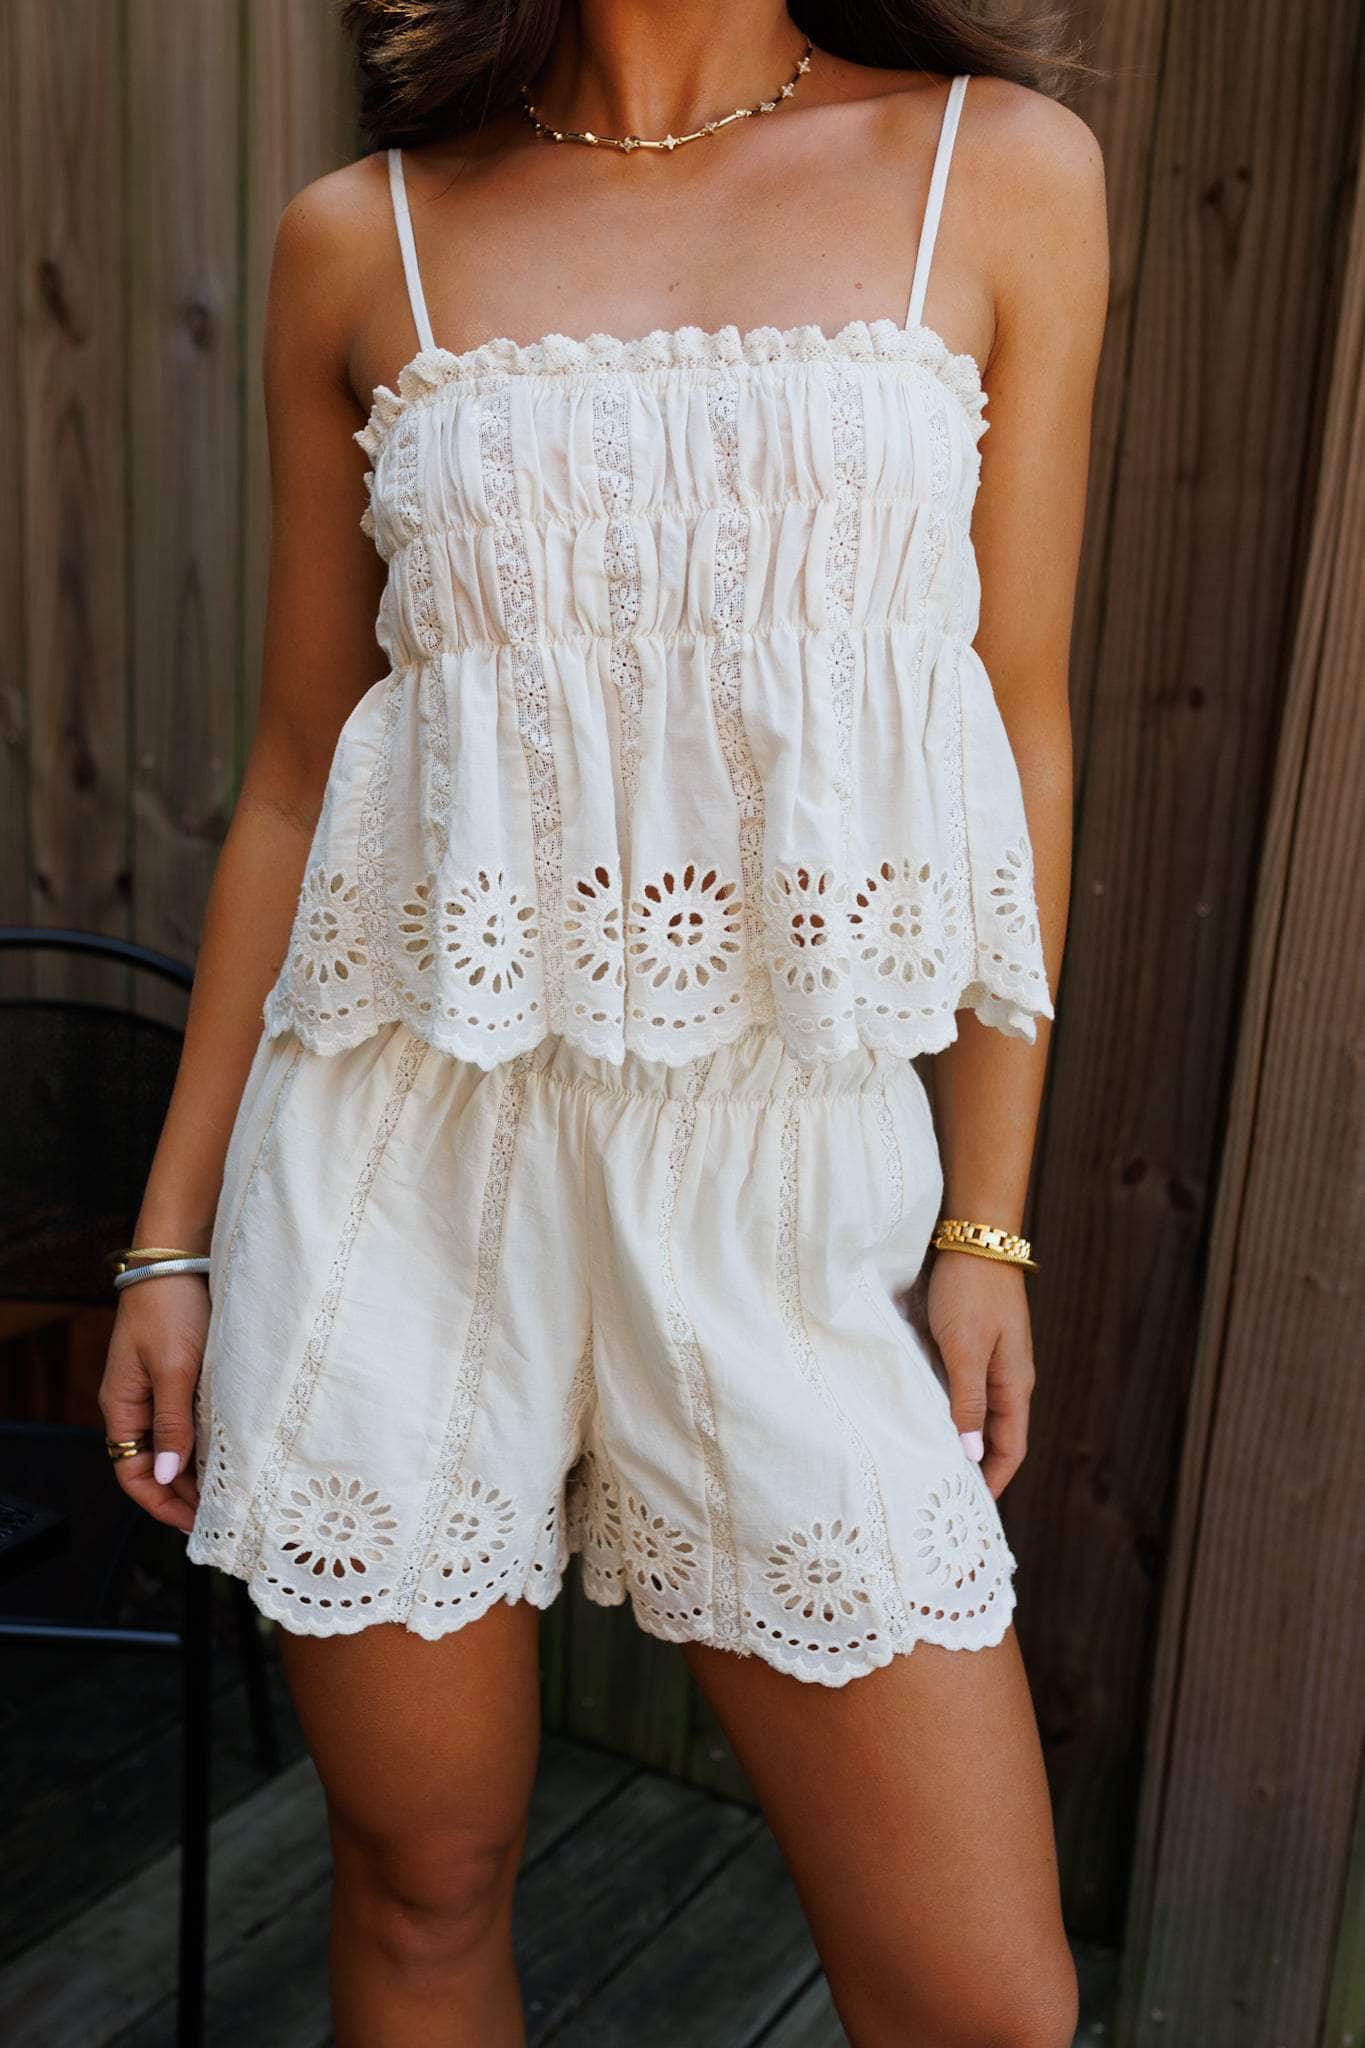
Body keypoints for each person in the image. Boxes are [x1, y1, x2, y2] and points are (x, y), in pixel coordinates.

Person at [100, 4, 1108, 2042]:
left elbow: (1019, 722)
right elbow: (293, 775)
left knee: (982, 2004)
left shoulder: (991, 170)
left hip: (785, 1169)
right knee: (419, 1879)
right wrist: (170, 1238)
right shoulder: (363, 233)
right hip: (397, 1158)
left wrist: (986, 1219)